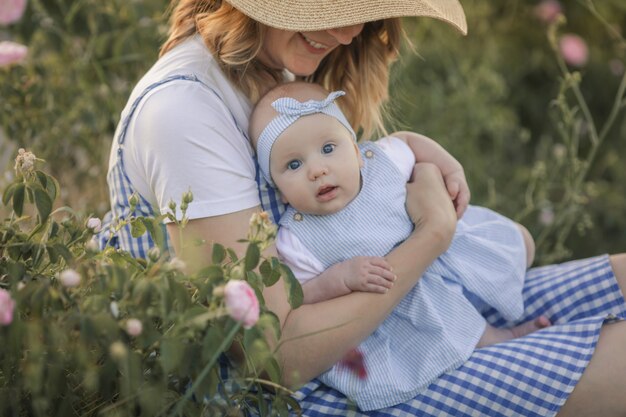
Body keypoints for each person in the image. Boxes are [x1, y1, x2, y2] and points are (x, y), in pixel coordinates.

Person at [99, 0, 626, 415]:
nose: (352, 32)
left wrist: (421, 166)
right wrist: (432, 233)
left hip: (391, 314)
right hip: (310, 391)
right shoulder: (185, 112)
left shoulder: (272, 69)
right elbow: (273, 356)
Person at [249, 81, 551, 409]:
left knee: (521, 243)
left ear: (355, 149)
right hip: (398, 302)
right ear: (278, 190)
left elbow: (409, 142)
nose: (317, 170)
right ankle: (501, 340)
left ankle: (499, 299)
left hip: (441, 256)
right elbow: (299, 295)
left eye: (328, 149)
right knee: (446, 324)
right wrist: (340, 278)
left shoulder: (381, 159)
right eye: (294, 165)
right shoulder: (296, 239)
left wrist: (452, 170)